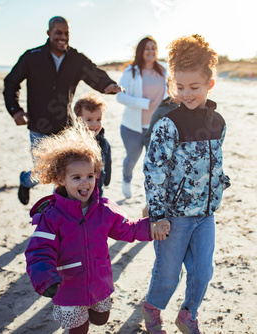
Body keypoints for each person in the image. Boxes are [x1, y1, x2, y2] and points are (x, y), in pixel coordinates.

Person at [24, 121, 169, 334]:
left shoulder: (104, 209)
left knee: (101, 319)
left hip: (99, 281)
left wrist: (151, 227)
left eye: (90, 176)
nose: (85, 182)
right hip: (68, 286)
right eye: (76, 178)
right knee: (79, 328)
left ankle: (92, 312)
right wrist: (45, 278)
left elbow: (127, 229)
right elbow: (39, 250)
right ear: (61, 179)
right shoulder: (52, 216)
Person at [141, 34, 231, 334]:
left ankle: (188, 314)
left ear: (210, 84)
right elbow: (154, 170)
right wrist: (156, 215)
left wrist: (220, 183)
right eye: (180, 88)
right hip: (174, 216)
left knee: (203, 271)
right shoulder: (169, 124)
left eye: (194, 87)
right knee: (168, 274)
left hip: (205, 213)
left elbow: (214, 161)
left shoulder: (218, 122)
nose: (187, 94)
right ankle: (152, 309)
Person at [3, 16, 121, 206]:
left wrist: (108, 84)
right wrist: (15, 110)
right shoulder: (32, 56)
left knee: (65, 176)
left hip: (65, 128)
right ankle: (25, 181)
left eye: (66, 33)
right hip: (38, 126)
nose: (63, 37)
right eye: (58, 32)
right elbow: (11, 82)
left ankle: (60, 213)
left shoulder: (75, 59)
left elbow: (93, 72)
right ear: (49, 33)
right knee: (41, 173)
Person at [116, 36, 169, 199]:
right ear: (141, 51)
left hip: (155, 127)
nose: (151, 51)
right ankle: (126, 179)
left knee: (152, 163)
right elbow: (120, 96)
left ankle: (151, 194)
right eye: (147, 48)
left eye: (154, 48)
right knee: (132, 159)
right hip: (132, 127)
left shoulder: (165, 69)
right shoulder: (131, 71)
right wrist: (144, 103)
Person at [73, 92, 112, 196]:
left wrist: (107, 180)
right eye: (89, 120)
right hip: (74, 195)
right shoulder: (72, 142)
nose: (95, 124)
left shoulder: (104, 143)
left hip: (97, 193)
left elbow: (108, 163)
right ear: (79, 121)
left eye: (98, 119)